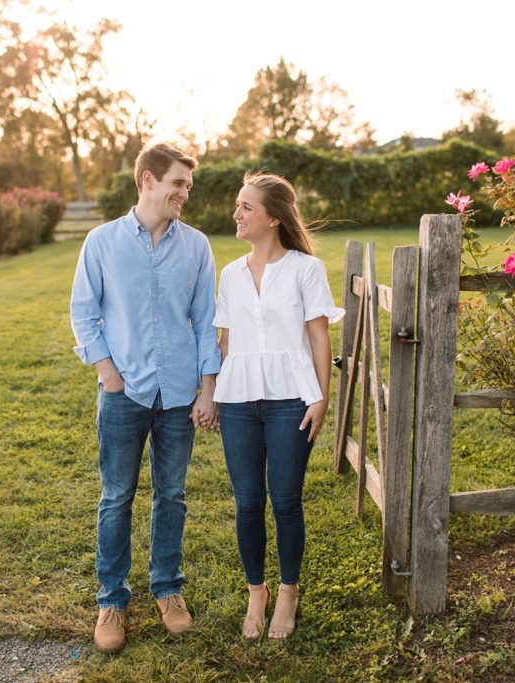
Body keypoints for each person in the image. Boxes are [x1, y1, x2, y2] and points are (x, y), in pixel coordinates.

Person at [70, 143, 221, 654]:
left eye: (188, 186)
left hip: (179, 393)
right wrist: (109, 375)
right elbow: (83, 313)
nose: (184, 193)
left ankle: (168, 589)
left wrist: (207, 390)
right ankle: (111, 598)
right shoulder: (102, 242)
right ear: (148, 181)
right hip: (123, 392)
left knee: (172, 494)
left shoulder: (197, 246)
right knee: (116, 497)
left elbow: (206, 323)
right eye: (178, 183)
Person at [213, 172, 343, 641]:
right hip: (238, 401)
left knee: (285, 501)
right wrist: (212, 394)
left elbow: (318, 336)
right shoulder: (229, 274)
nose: (237, 214)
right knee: (248, 503)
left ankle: (288, 592)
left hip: (293, 400)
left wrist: (321, 399)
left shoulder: (305, 269)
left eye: (246, 206)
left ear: (272, 217)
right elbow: (224, 342)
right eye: (238, 205)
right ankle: (257, 592)